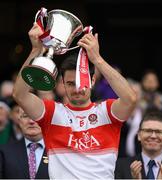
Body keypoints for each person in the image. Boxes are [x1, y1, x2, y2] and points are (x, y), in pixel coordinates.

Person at [12, 23, 137, 179]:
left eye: (81, 82)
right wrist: (36, 51)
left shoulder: (107, 112)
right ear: (62, 84)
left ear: (92, 80)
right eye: (71, 84)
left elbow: (130, 99)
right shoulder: (52, 113)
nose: (77, 89)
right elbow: (19, 95)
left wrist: (97, 59)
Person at [115, 111, 162, 179]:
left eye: (159, 132)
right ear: (138, 135)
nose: (153, 136)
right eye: (148, 131)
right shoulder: (120, 166)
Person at [0, 106, 49, 179]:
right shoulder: (4, 151)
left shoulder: (60, 152)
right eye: (25, 116)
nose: (31, 121)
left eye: (36, 116)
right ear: (19, 121)